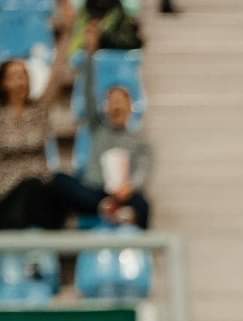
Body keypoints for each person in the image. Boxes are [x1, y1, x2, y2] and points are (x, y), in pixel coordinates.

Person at [49, 22, 153, 228]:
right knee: (59, 181)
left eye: (120, 101)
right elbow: (88, 92)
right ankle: (106, 208)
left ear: (130, 107)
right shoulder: (98, 127)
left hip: (124, 192)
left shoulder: (139, 137)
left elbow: (144, 169)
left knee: (144, 206)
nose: (116, 105)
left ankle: (122, 215)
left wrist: (129, 187)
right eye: (111, 100)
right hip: (95, 191)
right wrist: (90, 53)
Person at [0, 13, 71, 230]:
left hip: (40, 193)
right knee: (30, 186)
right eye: (14, 76)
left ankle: (100, 203)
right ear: (3, 82)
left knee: (59, 183)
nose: (20, 80)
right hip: (7, 196)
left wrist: (66, 36)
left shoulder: (38, 111)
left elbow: (57, 75)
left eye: (23, 75)